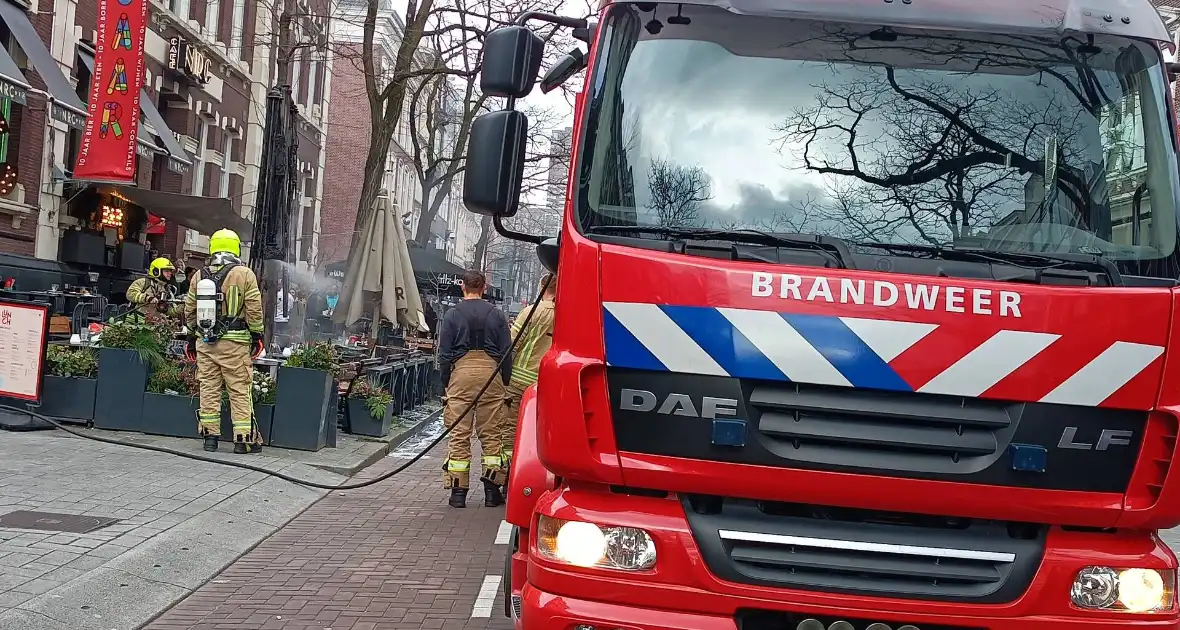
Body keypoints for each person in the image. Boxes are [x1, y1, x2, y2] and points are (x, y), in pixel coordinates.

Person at [183, 229, 266, 454]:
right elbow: (254, 309)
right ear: (236, 248)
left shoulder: (199, 276)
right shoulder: (245, 274)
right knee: (239, 389)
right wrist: (258, 335)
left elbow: (189, 311)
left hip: (205, 343)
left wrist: (192, 338)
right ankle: (243, 441)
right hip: (235, 344)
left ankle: (210, 438)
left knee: (209, 389)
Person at [438, 270, 513, 508]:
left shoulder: (452, 314)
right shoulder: (497, 315)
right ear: (484, 287)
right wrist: (505, 380)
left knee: (459, 434)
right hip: (491, 375)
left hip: (461, 373)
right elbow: (506, 352)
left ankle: (458, 494)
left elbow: (444, 353)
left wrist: (446, 381)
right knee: (492, 436)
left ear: (463, 287)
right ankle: (492, 492)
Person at [498, 272, 557, 482]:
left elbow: (512, 345)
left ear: (543, 287)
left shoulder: (531, 312)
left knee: (510, 433)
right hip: (548, 384)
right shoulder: (567, 314)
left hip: (519, 380)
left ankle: (506, 478)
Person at [124, 257, 181, 323]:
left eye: (170, 271)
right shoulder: (143, 282)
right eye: (166, 271)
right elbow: (130, 294)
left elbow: (170, 311)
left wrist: (179, 308)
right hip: (135, 322)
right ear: (156, 271)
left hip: (154, 325)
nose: (170, 273)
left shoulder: (167, 290)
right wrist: (148, 298)